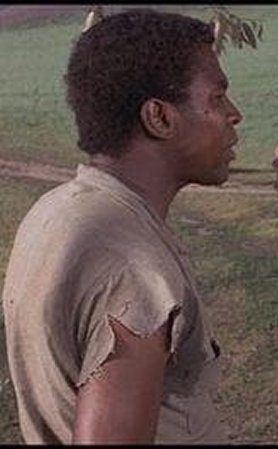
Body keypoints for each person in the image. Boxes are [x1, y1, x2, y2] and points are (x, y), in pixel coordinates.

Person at [2, 9, 243, 444]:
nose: (234, 114)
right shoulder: (131, 268)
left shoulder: (55, 210)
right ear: (159, 117)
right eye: (218, 97)